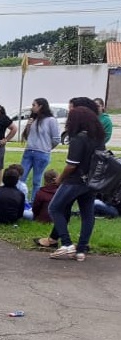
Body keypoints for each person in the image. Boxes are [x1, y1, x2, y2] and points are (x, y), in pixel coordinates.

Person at [47, 106, 106, 262]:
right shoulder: (98, 137)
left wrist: (60, 179)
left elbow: (72, 165)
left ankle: (67, 243)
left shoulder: (78, 139)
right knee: (88, 214)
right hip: (92, 181)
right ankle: (81, 249)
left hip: (75, 181)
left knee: (54, 207)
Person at [20, 98, 61, 201]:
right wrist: (29, 125)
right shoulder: (34, 119)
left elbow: (56, 139)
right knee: (21, 177)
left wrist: (47, 147)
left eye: (34, 105)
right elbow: (27, 136)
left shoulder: (51, 120)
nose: (32, 107)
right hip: (29, 151)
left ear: (40, 106)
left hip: (42, 153)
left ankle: (34, 201)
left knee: (36, 180)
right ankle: (21, 200)